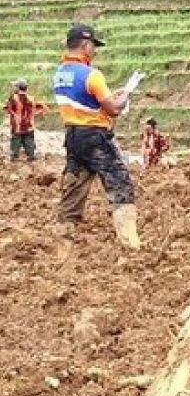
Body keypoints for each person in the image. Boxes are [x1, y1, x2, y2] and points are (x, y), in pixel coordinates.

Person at [53, 24, 141, 249]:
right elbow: (112, 108)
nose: (95, 51)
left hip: (73, 136)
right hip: (96, 137)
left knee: (74, 184)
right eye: (93, 46)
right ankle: (129, 241)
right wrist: (124, 96)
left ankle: (62, 237)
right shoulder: (92, 75)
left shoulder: (60, 74)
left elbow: (84, 102)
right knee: (119, 182)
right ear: (85, 45)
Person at [7, 78, 47, 161]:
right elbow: (43, 108)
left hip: (17, 127)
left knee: (15, 142)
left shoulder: (13, 98)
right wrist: (35, 114)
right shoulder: (32, 99)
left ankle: (15, 156)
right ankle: (31, 156)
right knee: (29, 141)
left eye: (15, 86)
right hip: (29, 126)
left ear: (18, 88)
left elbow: (9, 110)